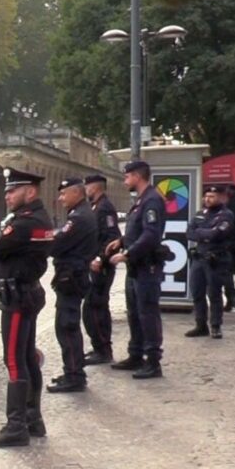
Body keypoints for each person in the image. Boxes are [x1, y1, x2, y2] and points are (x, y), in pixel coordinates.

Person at [0, 168, 54, 448]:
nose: (7, 195)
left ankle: (15, 426)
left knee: (13, 359)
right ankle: (33, 419)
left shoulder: (25, 223)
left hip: (18, 297)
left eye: (13, 190)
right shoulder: (39, 219)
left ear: (30, 192)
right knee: (26, 357)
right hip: (27, 292)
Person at [107, 160, 167, 380]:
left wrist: (128, 253)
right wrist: (121, 241)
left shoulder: (152, 200)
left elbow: (151, 235)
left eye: (127, 177)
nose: (125, 181)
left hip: (146, 266)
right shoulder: (142, 200)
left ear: (137, 176)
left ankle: (153, 361)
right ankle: (136, 355)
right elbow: (137, 229)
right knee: (134, 313)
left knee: (148, 313)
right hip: (136, 268)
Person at [47, 178, 99, 394]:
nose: (60, 199)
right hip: (74, 276)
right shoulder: (82, 213)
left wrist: (52, 240)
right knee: (67, 326)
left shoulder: (78, 217)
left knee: (66, 327)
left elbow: (56, 245)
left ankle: (75, 375)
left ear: (76, 193)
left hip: (71, 277)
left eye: (63, 194)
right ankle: (73, 371)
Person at [185, 185, 234, 339]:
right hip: (199, 258)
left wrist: (201, 233)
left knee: (214, 293)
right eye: (206, 196)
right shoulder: (200, 214)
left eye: (211, 196)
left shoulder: (226, 215)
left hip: (215, 259)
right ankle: (200, 325)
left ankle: (215, 325)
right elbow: (189, 233)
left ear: (220, 197)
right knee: (197, 292)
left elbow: (218, 234)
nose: (207, 199)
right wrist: (206, 233)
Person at [82, 174, 121, 365]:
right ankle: (99, 347)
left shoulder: (105, 208)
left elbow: (112, 237)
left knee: (95, 307)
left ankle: (103, 349)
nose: (85, 190)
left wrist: (100, 258)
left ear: (95, 188)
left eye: (87, 187)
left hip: (101, 268)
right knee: (94, 307)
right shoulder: (95, 206)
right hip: (94, 266)